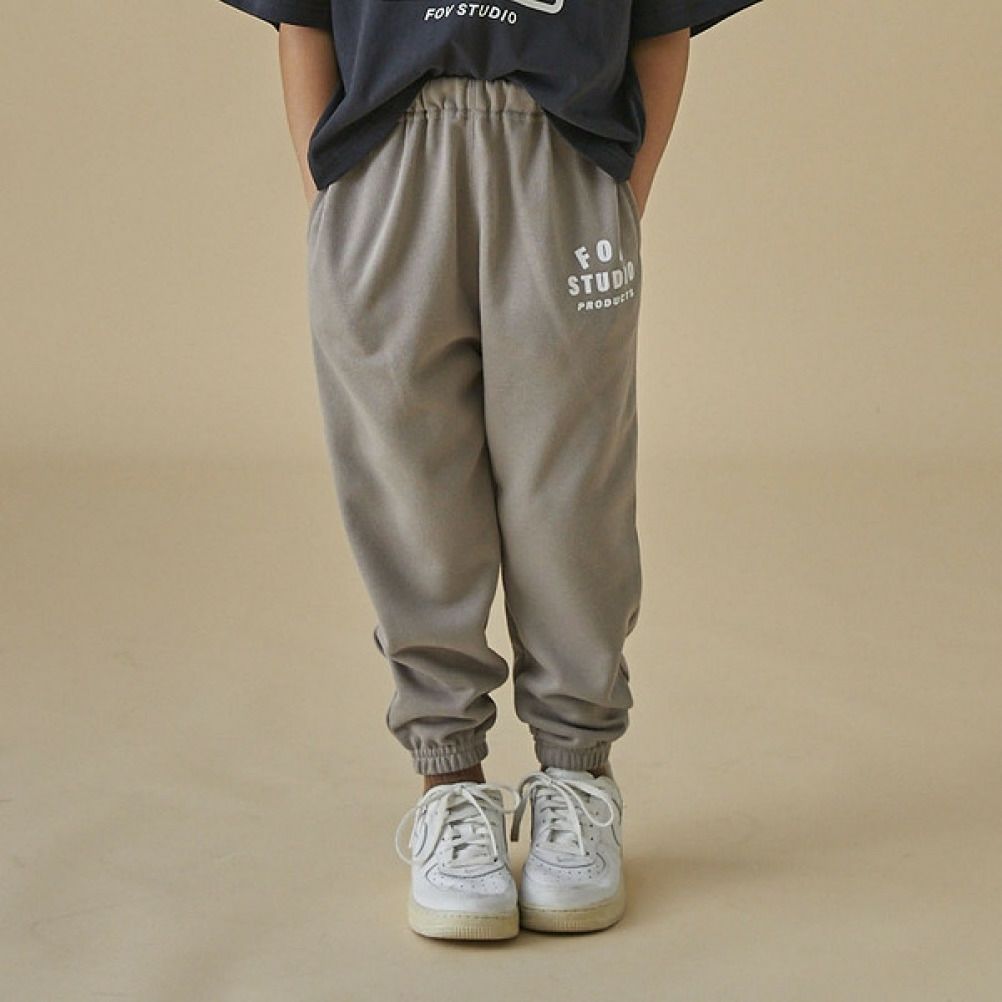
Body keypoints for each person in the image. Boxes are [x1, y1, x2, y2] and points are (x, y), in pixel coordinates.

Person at [218, 0, 764, 940]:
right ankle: (449, 785)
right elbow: (301, 16)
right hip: (386, 165)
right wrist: (330, 194)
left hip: (562, 159)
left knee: (573, 491)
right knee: (410, 486)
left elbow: (663, 21)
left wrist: (623, 191)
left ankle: (577, 778)